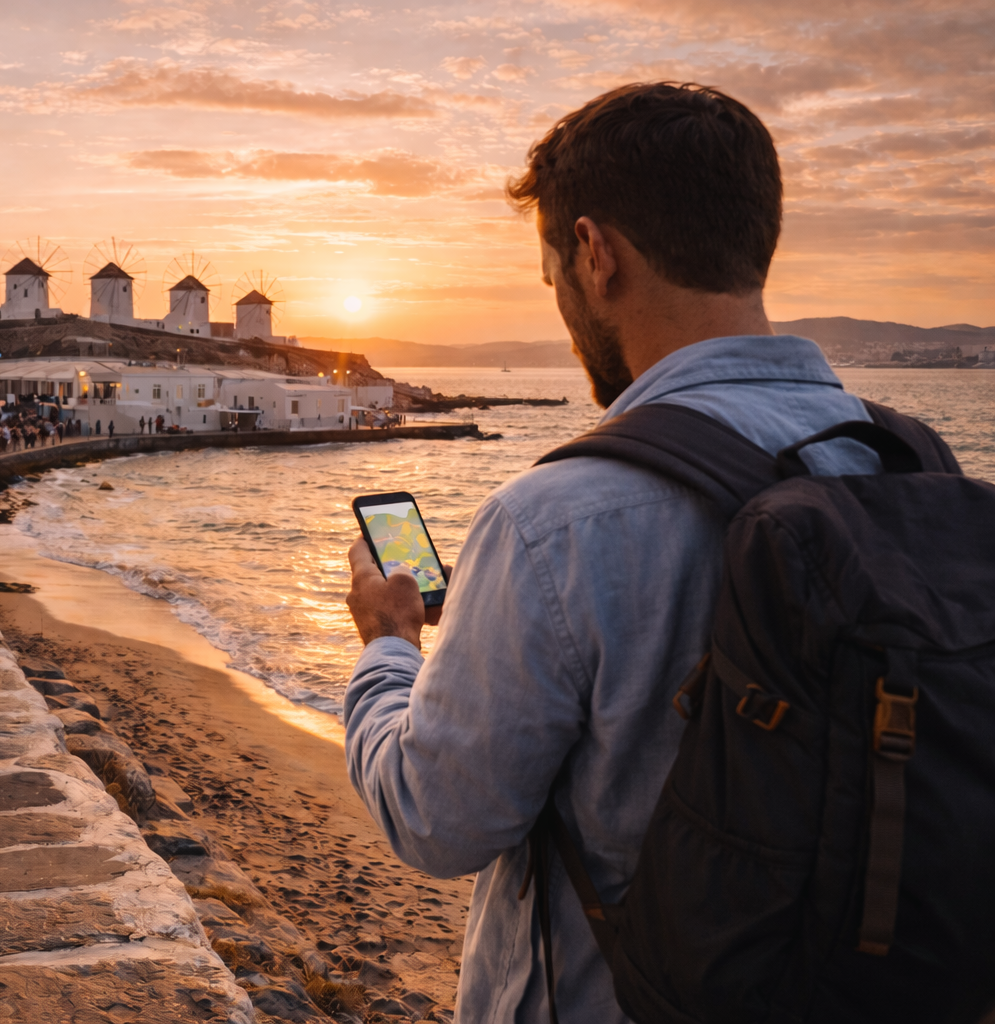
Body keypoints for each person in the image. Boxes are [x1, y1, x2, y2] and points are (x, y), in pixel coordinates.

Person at [341, 82, 883, 1024]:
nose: (559, 297)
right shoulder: (906, 465)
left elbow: (438, 819)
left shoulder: (556, 521)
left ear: (594, 255)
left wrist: (390, 646)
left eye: (552, 271)